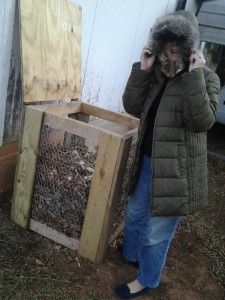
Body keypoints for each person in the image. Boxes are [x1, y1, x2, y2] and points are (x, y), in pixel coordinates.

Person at [114, 10, 220, 299]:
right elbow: (132, 106)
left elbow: (202, 122)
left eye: (180, 38)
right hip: (148, 161)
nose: (172, 44)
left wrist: (195, 75)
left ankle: (147, 280)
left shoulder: (206, 78)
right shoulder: (159, 73)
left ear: (190, 43)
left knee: (156, 231)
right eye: (167, 37)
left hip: (177, 171)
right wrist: (143, 68)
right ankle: (131, 255)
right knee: (135, 214)